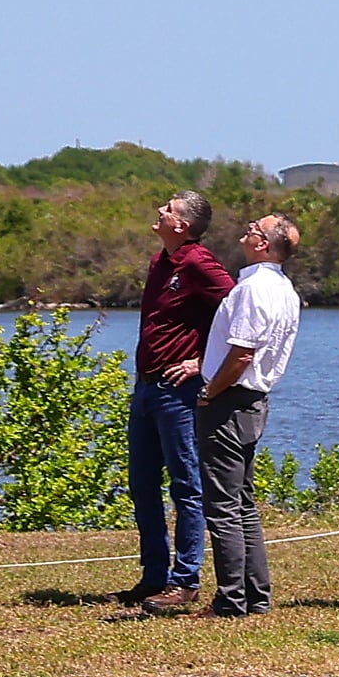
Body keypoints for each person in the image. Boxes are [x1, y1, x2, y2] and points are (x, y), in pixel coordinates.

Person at [123, 191, 231, 614]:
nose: (160, 212)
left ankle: (185, 580)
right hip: (147, 388)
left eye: (168, 209)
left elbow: (238, 309)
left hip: (177, 392)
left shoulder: (198, 262)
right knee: (142, 485)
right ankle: (153, 577)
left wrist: (201, 362)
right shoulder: (159, 262)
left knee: (186, 486)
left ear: (183, 225)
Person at [192, 214, 302, 620]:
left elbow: (241, 354)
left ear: (263, 245)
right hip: (253, 399)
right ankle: (255, 596)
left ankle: (231, 599)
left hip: (231, 400)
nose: (247, 228)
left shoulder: (255, 288)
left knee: (222, 504)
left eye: (255, 227)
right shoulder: (283, 290)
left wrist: (208, 392)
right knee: (242, 502)